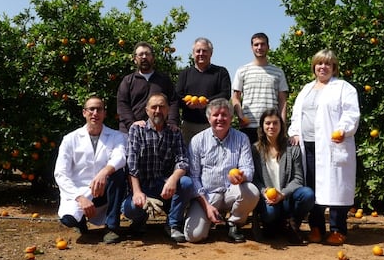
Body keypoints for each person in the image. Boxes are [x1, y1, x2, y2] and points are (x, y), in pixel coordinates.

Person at [288, 49, 360, 246]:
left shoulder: (344, 88)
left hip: (332, 145)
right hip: (308, 146)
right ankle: (317, 228)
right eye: (320, 63)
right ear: (314, 66)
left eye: (328, 64)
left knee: (337, 186)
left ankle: (338, 230)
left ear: (334, 67)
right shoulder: (307, 89)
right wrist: (294, 132)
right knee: (313, 188)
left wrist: (343, 130)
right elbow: (297, 114)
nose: (323, 67)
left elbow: (351, 113)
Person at [184, 98, 260, 243]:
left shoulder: (241, 138)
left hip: (232, 191)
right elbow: (194, 177)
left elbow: (248, 168)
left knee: (252, 191)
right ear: (208, 118)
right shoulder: (197, 140)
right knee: (194, 236)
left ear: (231, 118)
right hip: (208, 195)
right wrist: (206, 206)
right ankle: (211, 217)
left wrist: (241, 177)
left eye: (224, 115)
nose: (220, 119)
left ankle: (234, 223)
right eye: (216, 115)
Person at [121, 93, 194, 243]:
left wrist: (173, 179)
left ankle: (173, 224)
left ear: (168, 110)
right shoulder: (136, 130)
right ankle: (140, 220)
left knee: (186, 183)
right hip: (143, 186)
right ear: (147, 110)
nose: (157, 110)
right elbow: (131, 164)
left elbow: (183, 160)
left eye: (162, 107)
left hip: (165, 186)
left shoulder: (175, 132)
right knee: (131, 208)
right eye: (154, 107)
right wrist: (137, 192)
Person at [54, 96, 127, 244]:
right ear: (84, 113)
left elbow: (120, 157)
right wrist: (80, 198)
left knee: (118, 174)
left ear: (104, 113)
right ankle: (79, 222)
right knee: (68, 219)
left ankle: (112, 226)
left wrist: (104, 172)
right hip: (79, 192)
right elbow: (60, 174)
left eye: (99, 109)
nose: (95, 113)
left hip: (104, 191)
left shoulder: (117, 136)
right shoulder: (70, 139)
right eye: (91, 109)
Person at [251, 109, 314, 244]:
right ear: (262, 126)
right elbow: (254, 179)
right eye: (268, 123)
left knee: (307, 194)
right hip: (268, 198)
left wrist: (283, 194)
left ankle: (292, 223)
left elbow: (298, 179)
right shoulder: (255, 150)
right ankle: (276, 225)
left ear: (281, 125)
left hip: (286, 198)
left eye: (275, 123)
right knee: (270, 214)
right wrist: (264, 192)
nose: (271, 127)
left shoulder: (292, 148)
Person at [232, 32, 289, 144]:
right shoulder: (242, 70)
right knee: (250, 160)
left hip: (271, 125)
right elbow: (235, 98)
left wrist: (282, 124)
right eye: (256, 44)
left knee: (272, 160)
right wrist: (240, 116)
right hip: (249, 125)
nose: (259, 47)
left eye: (262, 44)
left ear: (268, 47)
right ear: (252, 47)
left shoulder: (278, 72)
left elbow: (282, 100)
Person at [176, 37, 231, 145]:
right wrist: (187, 104)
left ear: (211, 53)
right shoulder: (185, 74)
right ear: (193, 54)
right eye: (198, 51)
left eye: (204, 51)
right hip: (189, 125)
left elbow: (225, 94)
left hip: (212, 125)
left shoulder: (221, 72)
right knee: (189, 156)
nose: (201, 54)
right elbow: (177, 95)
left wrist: (207, 102)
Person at [116, 41, 179, 134]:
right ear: (135, 59)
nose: (144, 57)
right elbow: (122, 105)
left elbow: (173, 102)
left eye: (147, 54)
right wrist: (132, 124)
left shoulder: (164, 80)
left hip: (159, 131)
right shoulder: (127, 81)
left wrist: (172, 122)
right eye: (141, 54)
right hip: (130, 131)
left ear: (153, 58)